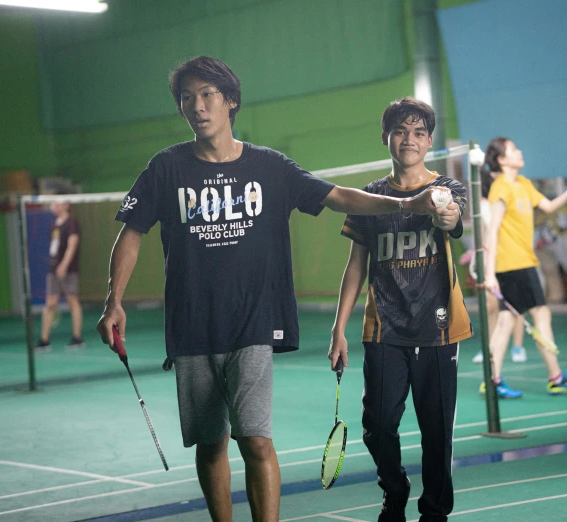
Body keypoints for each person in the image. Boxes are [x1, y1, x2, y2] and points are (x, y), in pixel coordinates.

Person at [95, 57, 444, 522]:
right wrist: (112, 302)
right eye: (187, 98)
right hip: (193, 324)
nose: (197, 106)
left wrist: (407, 200)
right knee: (210, 441)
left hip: (254, 322)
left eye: (207, 95)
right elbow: (131, 232)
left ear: (230, 101)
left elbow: (338, 196)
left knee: (255, 439)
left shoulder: (270, 167)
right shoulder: (166, 168)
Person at [328, 97, 472, 522]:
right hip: (384, 328)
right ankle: (395, 490)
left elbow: (452, 221)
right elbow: (356, 265)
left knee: (437, 432)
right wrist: (339, 328)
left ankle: (435, 512)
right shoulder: (369, 197)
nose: (409, 139)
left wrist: (443, 210)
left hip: (439, 329)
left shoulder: (449, 188)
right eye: (400, 131)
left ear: (429, 142)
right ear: (387, 138)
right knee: (377, 426)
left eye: (418, 133)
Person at [481, 137, 567, 397]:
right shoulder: (500, 188)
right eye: (513, 150)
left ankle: (492, 379)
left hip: (524, 261)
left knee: (507, 321)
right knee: (540, 314)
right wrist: (489, 273)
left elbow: (549, 206)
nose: (520, 152)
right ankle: (556, 377)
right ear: (502, 160)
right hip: (512, 264)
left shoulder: (523, 184)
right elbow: (492, 230)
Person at [469, 163, 527, 367]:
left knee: (515, 303)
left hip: (511, 257)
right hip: (489, 258)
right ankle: (489, 347)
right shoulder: (482, 205)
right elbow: (485, 233)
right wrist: (476, 257)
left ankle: (518, 346)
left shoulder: (505, 198)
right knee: (490, 305)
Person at [36, 198, 84, 352]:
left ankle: (77, 338)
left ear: (66, 205)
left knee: (72, 301)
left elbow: (72, 245)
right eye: (53, 203)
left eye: (57, 202)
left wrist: (64, 264)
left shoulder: (71, 224)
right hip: (53, 270)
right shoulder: (54, 225)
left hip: (68, 270)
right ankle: (44, 340)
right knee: (50, 304)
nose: (54, 205)